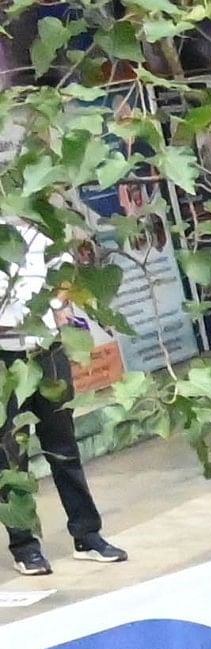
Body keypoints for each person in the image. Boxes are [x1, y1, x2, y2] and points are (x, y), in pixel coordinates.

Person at [0, 220, 118, 575]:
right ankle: (24, 545)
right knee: (10, 457)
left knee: (63, 448)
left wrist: (58, 307)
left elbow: (62, 272)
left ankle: (87, 534)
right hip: (5, 356)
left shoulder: (39, 226)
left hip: (47, 350)